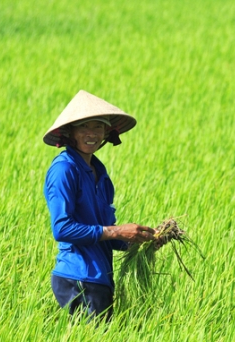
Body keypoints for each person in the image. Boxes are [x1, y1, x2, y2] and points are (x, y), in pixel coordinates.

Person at [42, 90, 156, 322]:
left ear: (107, 132)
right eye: (84, 126)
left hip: (100, 280)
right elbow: (62, 229)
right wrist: (117, 230)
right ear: (70, 132)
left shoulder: (101, 174)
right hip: (77, 279)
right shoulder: (64, 170)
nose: (92, 134)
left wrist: (143, 239)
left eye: (98, 127)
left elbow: (109, 236)